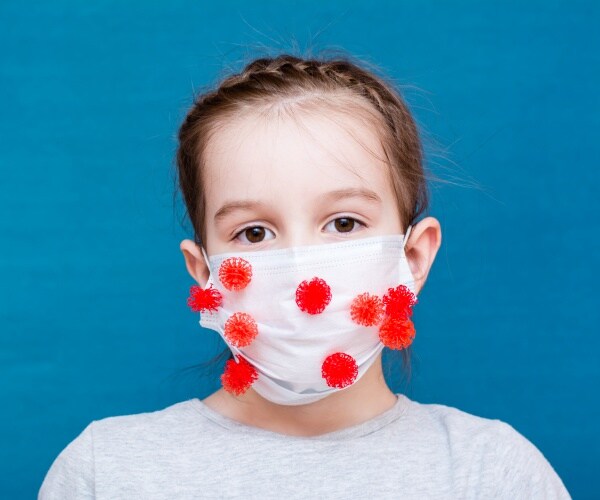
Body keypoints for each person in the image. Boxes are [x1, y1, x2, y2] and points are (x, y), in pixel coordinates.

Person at [39, 52, 571, 499]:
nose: (302, 272)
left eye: (343, 223)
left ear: (414, 257)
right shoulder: (106, 473)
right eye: (254, 233)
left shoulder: (494, 475)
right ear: (204, 274)